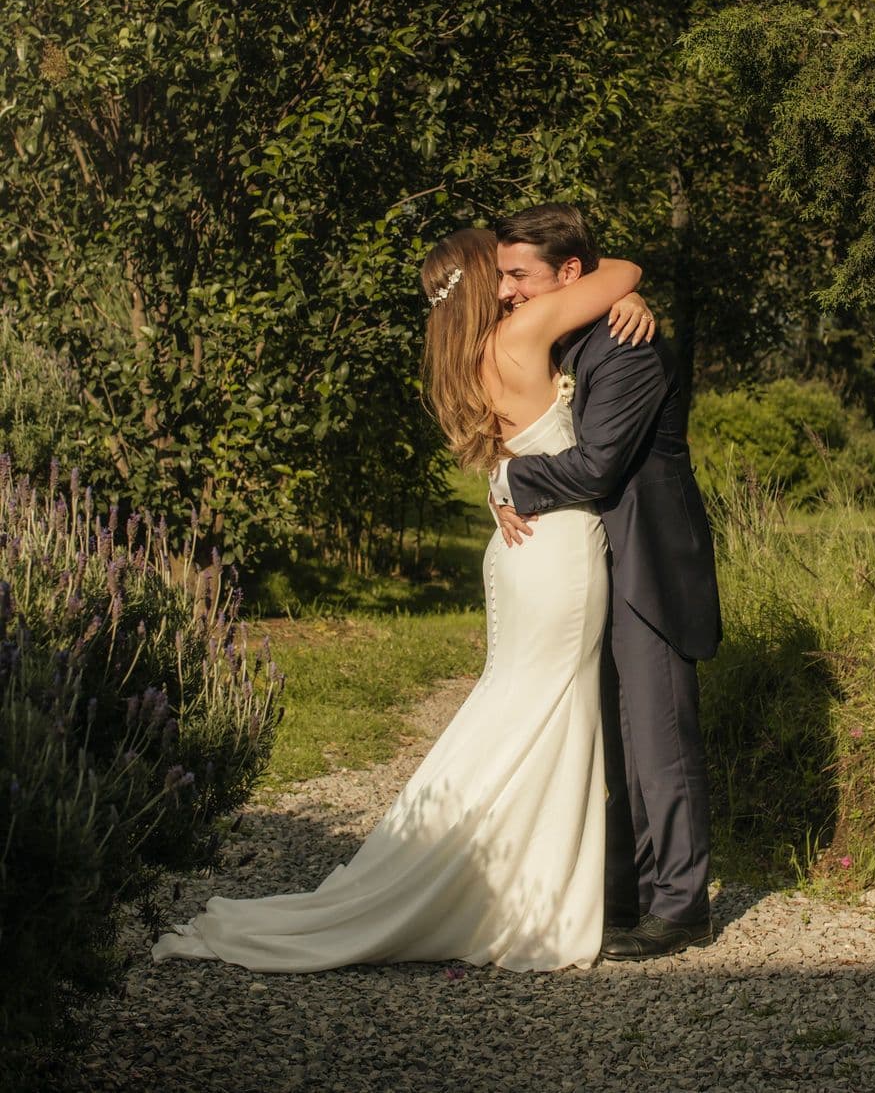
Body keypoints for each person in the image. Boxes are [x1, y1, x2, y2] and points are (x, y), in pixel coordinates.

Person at [152, 226, 652, 974]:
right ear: (487, 280)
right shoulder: (523, 331)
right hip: (554, 553)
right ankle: (536, 898)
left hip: (515, 554)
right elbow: (624, 268)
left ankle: (507, 878)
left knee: (514, 710)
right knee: (551, 714)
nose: (516, 283)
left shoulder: (466, 355)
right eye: (504, 270)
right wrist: (633, 291)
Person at [489, 203, 721, 961]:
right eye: (501, 276)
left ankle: (681, 904)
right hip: (596, 562)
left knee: (658, 736)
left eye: (518, 275)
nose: (506, 291)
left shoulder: (626, 344)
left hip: (647, 554)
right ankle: (621, 891)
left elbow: (596, 465)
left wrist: (512, 475)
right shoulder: (574, 340)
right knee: (612, 738)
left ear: (571, 273)